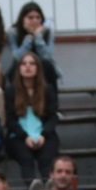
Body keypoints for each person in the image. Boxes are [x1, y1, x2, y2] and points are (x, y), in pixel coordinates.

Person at [4, 52, 60, 182]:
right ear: (19, 69)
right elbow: (10, 120)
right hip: (18, 136)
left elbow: (52, 117)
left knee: (46, 159)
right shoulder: (11, 91)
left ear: (38, 68)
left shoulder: (47, 89)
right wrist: (25, 137)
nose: (28, 66)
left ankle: (48, 187)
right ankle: (33, 187)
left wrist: (43, 135)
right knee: (26, 159)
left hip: (45, 135)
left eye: (32, 63)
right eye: (24, 64)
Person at [8, 2, 58, 85]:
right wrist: (29, 38)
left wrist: (38, 37)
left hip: (42, 66)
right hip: (21, 65)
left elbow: (47, 57)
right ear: (22, 19)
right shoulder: (14, 32)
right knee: (15, 67)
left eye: (38, 18)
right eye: (30, 18)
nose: (35, 21)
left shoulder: (48, 32)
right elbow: (17, 57)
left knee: (47, 65)